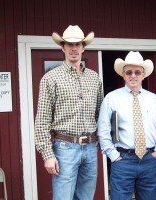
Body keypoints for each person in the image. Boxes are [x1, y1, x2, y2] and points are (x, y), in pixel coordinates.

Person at [34, 25, 103, 200]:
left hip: (90, 147)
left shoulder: (94, 78)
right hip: (64, 148)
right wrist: (48, 155)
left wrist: (102, 143)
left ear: (83, 47)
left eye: (78, 44)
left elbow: (99, 114)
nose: (74, 48)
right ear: (62, 47)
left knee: (86, 197)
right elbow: (42, 121)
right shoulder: (51, 78)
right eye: (69, 44)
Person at [98, 51, 156, 200]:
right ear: (123, 74)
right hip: (123, 160)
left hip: (149, 160)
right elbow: (103, 131)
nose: (133, 75)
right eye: (129, 72)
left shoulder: (155, 100)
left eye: (137, 72)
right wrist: (113, 156)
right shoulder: (111, 99)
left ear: (143, 75)